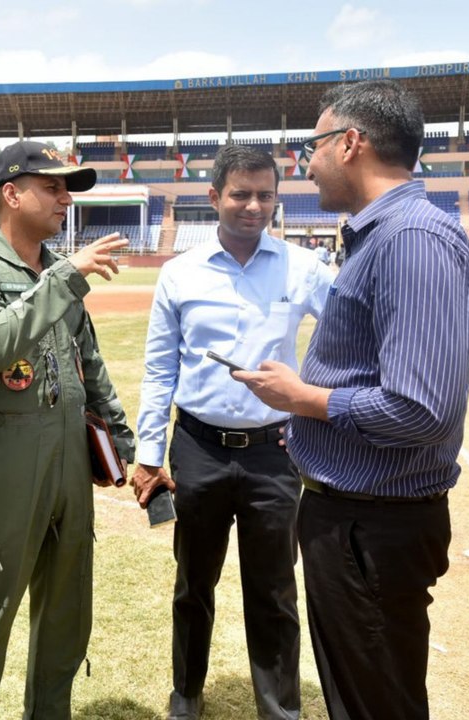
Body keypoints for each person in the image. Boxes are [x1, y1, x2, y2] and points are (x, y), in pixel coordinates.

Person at [236, 79, 469, 720]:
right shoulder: (387, 236)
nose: (305, 165)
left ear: (350, 143)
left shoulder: (411, 240)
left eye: (312, 147)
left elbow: (422, 410)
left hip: (371, 528)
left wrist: (305, 400)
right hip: (356, 519)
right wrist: (310, 425)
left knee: (375, 702)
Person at [132, 145, 333, 720]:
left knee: (274, 590)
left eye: (266, 195)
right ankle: (186, 695)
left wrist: (315, 407)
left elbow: (350, 334)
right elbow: (160, 368)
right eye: (241, 194)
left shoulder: (304, 267)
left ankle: (279, 709)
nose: (254, 206)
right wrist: (149, 452)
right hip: (198, 451)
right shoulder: (180, 273)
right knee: (194, 583)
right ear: (214, 196)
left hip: (275, 453)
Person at [0, 140, 134, 719]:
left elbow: (88, 363)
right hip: (4, 465)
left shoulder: (54, 272)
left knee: (67, 613)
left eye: (67, 190)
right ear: (12, 194)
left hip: (69, 459)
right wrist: (66, 277)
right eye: (52, 187)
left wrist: (121, 442)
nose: (65, 199)